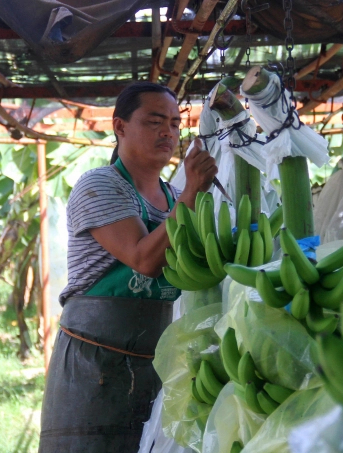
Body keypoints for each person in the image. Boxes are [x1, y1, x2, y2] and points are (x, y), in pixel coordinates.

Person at [38, 82, 217, 453]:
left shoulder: (171, 195)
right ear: (119, 126)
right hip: (94, 367)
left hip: (155, 363)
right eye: (154, 121)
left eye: (173, 123)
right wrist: (191, 195)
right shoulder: (99, 186)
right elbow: (144, 259)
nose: (167, 131)